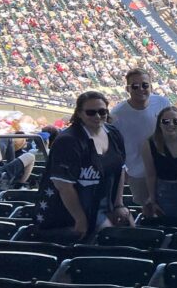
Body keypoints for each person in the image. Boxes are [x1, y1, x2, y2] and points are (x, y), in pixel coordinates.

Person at [36, 91, 131, 242]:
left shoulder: (113, 134)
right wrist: (80, 219)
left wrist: (119, 204)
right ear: (79, 113)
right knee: (106, 241)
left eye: (102, 112)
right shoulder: (68, 141)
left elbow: (119, 170)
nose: (97, 116)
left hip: (103, 202)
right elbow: (64, 186)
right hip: (72, 209)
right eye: (91, 112)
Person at [109, 67, 170, 213]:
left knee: (170, 207)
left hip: (166, 167)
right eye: (135, 86)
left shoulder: (162, 103)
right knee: (149, 210)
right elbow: (115, 148)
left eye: (144, 85)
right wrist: (127, 173)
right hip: (137, 172)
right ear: (127, 89)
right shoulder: (117, 115)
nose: (140, 89)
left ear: (151, 86)